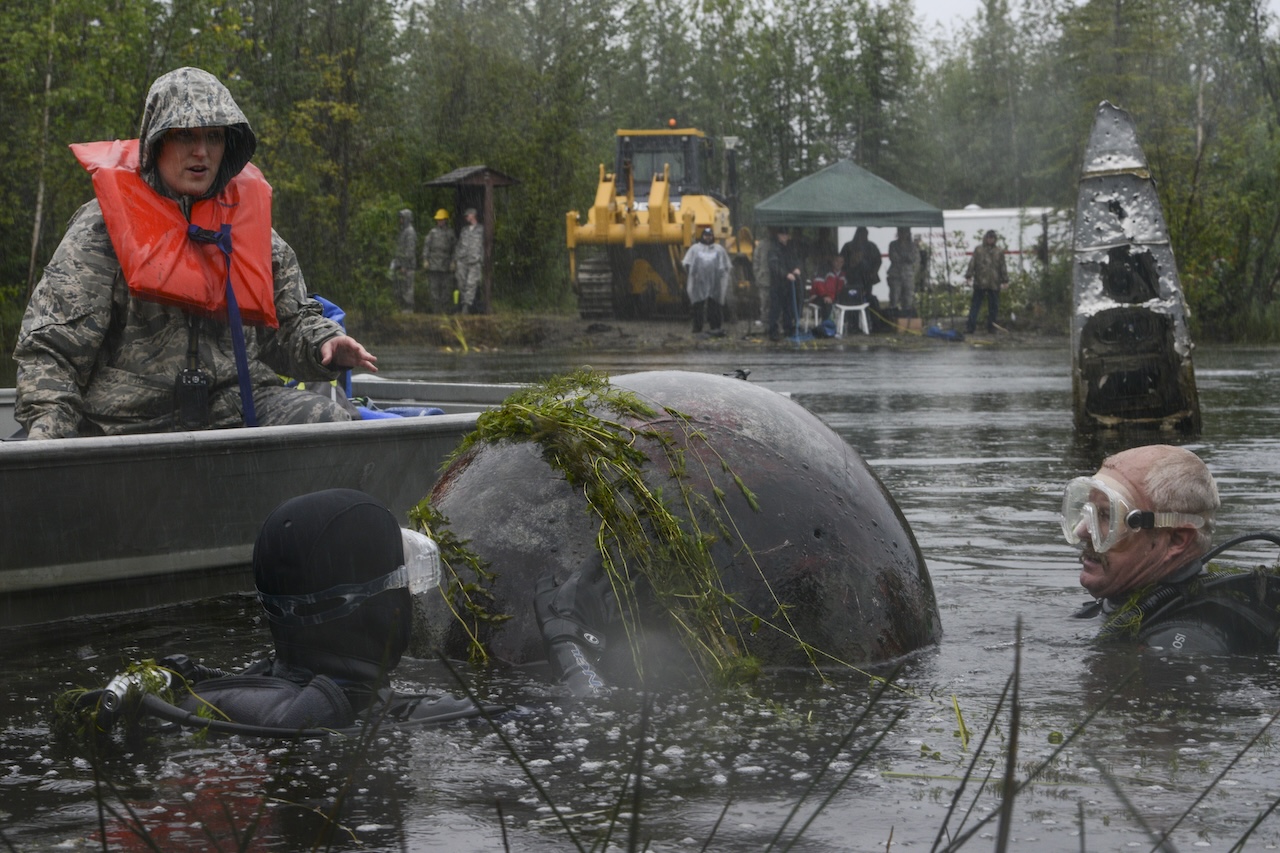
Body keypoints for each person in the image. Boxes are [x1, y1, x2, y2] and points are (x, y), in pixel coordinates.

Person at [13, 67, 377, 439]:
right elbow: (51, 351)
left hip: (234, 407)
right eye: (185, 134)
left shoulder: (252, 232)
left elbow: (289, 325)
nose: (201, 151)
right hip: (127, 422)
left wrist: (324, 344)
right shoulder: (101, 228)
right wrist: (50, 439)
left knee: (328, 421)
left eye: (214, 136)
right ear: (156, 142)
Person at [82, 489, 490, 736]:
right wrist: (558, 638)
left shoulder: (219, 697)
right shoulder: (411, 717)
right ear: (374, 608)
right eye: (402, 583)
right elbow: (546, 724)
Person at [1063, 444, 1280, 654]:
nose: (1082, 531)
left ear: (1176, 540)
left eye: (1107, 516)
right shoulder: (1127, 606)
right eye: (1086, 511)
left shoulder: (1184, 645)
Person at [681, 226, 732, 336]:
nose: (708, 238)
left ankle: (715, 326)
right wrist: (693, 275)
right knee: (698, 306)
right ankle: (697, 327)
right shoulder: (695, 249)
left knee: (714, 305)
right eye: (706, 236)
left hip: (715, 283)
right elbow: (687, 262)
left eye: (710, 236)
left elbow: (725, 265)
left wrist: (721, 278)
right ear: (702, 236)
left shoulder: (719, 249)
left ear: (712, 236)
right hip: (699, 283)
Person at [964, 229, 1007, 334]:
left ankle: (991, 328)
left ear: (995, 239)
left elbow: (1003, 266)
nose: (990, 240)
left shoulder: (999, 251)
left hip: (994, 283)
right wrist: (969, 275)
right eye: (988, 237)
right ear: (985, 238)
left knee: (993, 308)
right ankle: (970, 327)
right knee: (975, 306)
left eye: (992, 238)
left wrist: (1005, 280)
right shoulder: (978, 250)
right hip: (980, 282)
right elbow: (972, 263)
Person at [765, 229, 803, 340]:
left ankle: (788, 328)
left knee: (788, 308)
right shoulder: (773, 249)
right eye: (782, 234)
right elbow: (774, 266)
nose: (784, 237)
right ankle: (773, 331)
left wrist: (797, 268)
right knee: (775, 308)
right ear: (778, 236)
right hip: (777, 284)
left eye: (786, 234)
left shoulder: (791, 249)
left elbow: (796, 260)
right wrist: (785, 274)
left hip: (789, 284)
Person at [421, 208, 456, 313]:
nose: (439, 221)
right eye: (438, 219)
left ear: (445, 220)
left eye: (441, 219)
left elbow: (455, 249)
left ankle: (444, 310)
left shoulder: (450, 233)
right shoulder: (432, 233)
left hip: (445, 265)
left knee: (446, 289)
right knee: (433, 288)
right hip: (433, 265)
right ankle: (435, 310)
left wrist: (453, 261)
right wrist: (425, 259)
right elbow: (426, 247)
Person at [453, 207, 484, 314]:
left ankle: (466, 307)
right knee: (461, 283)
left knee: (471, 284)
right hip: (462, 260)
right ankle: (462, 304)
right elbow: (459, 245)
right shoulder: (464, 230)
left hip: (474, 261)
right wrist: (455, 259)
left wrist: (481, 259)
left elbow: (485, 246)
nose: (466, 217)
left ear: (473, 215)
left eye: (468, 215)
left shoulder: (481, 230)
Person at [840, 227, 881, 307]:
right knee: (853, 297)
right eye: (861, 234)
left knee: (867, 297)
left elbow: (878, 261)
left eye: (865, 234)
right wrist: (853, 261)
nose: (863, 236)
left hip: (867, 278)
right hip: (852, 278)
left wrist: (873, 272)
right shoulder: (848, 246)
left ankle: (867, 315)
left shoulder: (871, 246)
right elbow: (842, 261)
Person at [390, 208, 418, 313]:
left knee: (408, 288)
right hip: (400, 264)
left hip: (408, 266)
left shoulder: (410, 232)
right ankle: (401, 307)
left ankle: (409, 308)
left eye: (402, 218)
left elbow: (410, 250)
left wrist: (405, 265)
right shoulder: (403, 231)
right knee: (400, 287)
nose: (400, 220)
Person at [887, 227, 919, 314]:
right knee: (894, 298)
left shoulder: (912, 245)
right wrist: (905, 257)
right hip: (895, 275)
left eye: (905, 232)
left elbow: (912, 258)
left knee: (908, 299)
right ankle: (893, 318)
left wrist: (903, 257)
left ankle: (906, 318)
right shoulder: (893, 244)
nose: (903, 234)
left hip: (908, 275)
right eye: (901, 232)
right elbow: (893, 257)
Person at [807, 253, 846, 323]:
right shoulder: (824, 270)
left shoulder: (843, 275)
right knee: (827, 303)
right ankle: (826, 326)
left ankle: (845, 327)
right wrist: (825, 295)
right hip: (820, 297)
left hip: (834, 299)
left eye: (841, 262)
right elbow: (818, 284)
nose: (839, 264)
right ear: (833, 261)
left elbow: (845, 289)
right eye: (837, 261)